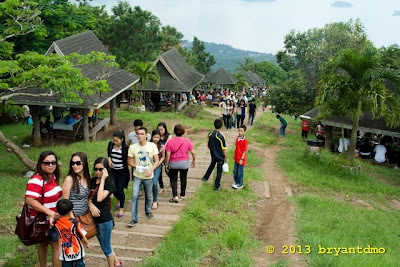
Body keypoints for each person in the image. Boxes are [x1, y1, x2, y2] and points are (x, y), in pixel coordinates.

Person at [25, 151, 62, 267]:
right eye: (47, 163)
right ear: (40, 164)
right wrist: (48, 212)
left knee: (43, 244)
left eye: (53, 162)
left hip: (52, 220)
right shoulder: (37, 180)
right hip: (45, 220)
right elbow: (30, 200)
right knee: (57, 247)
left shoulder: (52, 177)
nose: (50, 165)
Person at [90, 158, 121, 267]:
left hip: (104, 220)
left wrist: (103, 179)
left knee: (106, 248)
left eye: (101, 169)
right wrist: (90, 204)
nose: (98, 172)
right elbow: (88, 198)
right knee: (105, 246)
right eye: (96, 169)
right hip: (94, 219)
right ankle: (117, 263)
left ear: (106, 170)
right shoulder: (92, 180)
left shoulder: (110, 183)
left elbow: (99, 198)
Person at [127, 127, 159, 227]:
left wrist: (151, 170)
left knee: (149, 196)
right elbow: (129, 161)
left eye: (142, 134)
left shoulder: (152, 146)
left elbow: (156, 160)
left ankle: (148, 211)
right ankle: (134, 219)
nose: (140, 136)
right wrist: (137, 166)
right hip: (137, 175)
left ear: (146, 135)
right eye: (138, 134)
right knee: (134, 195)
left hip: (148, 176)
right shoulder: (133, 147)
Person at [165, 124, 196, 202]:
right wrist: (193, 160)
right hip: (184, 163)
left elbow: (168, 155)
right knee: (183, 178)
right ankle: (182, 195)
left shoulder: (170, 141)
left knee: (174, 179)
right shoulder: (187, 141)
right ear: (183, 131)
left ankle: (175, 196)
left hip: (173, 164)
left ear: (174, 132)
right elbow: (193, 152)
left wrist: (166, 164)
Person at [54, 199, 90, 267]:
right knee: (79, 264)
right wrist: (86, 243)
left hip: (65, 249)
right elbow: (81, 235)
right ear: (70, 212)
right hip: (77, 249)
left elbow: (53, 224)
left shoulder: (56, 223)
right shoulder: (75, 223)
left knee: (66, 264)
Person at [107, 130, 129, 218]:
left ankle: (121, 208)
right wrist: (109, 159)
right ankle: (119, 198)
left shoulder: (125, 148)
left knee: (120, 189)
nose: (115, 142)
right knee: (113, 188)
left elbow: (128, 160)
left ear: (122, 140)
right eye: (114, 140)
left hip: (122, 171)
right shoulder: (110, 144)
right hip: (113, 170)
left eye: (117, 141)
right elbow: (109, 153)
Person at [62, 152, 91, 219]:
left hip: (85, 216)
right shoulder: (69, 179)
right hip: (74, 217)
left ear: (84, 163)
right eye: (73, 163)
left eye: (78, 163)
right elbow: (65, 201)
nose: (75, 166)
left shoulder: (88, 176)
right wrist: (72, 217)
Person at [202, 119, 228, 191]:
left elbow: (208, 144)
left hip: (213, 154)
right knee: (219, 171)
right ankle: (216, 185)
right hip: (220, 156)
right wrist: (226, 157)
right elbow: (224, 149)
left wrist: (212, 150)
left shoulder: (210, 134)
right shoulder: (221, 136)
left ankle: (205, 177)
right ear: (221, 126)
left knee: (212, 165)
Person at [151, 129, 165, 209]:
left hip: (157, 167)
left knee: (154, 183)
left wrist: (158, 164)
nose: (156, 139)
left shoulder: (162, 146)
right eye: (155, 137)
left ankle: (155, 200)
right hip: (148, 166)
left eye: (158, 137)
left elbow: (163, 157)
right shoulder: (148, 145)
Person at [157, 122, 172, 194]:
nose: (160, 131)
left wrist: (163, 147)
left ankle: (172, 180)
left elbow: (167, 145)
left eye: (161, 130)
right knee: (159, 172)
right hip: (158, 156)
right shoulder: (156, 136)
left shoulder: (169, 136)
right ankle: (161, 186)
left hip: (167, 155)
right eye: (159, 130)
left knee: (167, 170)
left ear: (165, 129)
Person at [233, 125, 248, 190]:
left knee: (240, 172)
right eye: (239, 130)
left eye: (241, 131)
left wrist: (242, 158)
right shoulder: (237, 138)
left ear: (244, 132)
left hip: (241, 159)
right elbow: (236, 147)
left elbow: (244, 151)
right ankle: (236, 182)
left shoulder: (245, 140)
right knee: (235, 171)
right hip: (236, 157)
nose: (240, 132)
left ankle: (240, 184)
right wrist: (234, 154)